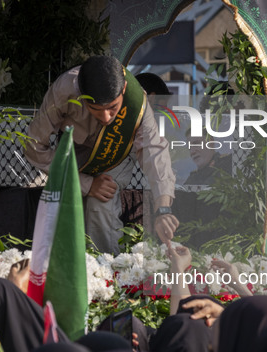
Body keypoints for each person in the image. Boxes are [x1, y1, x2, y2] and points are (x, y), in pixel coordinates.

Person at [25, 55, 178, 254]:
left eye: (112, 108)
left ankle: (109, 273)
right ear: (82, 95)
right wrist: (85, 184)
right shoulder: (64, 90)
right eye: (96, 109)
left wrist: (163, 209)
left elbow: (154, 151)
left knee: (100, 203)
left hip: (117, 153)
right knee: (68, 207)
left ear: (123, 90)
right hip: (75, 153)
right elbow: (33, 146)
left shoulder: (135, 99)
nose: (106, 117)